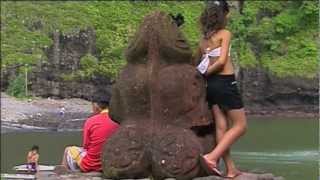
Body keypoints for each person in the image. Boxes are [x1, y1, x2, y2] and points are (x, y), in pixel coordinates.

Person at [194, 0, 247, 178]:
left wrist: (205, 75)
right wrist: (209, 71)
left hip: (211, 86)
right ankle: (211, 157)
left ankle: (230, 169)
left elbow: (197, 63)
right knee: (240, 126)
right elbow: (222, 61)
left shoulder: (202, 40)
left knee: (222, 126)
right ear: (224, 15)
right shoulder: (225, 33)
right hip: (225, 83)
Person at [61, 92, 119, 172]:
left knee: (68, 150)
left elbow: (86, 145)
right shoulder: (119, 120)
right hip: (112, 164)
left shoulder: (91, 121)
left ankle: (64, 174)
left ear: (96, 105)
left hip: (92, 165)